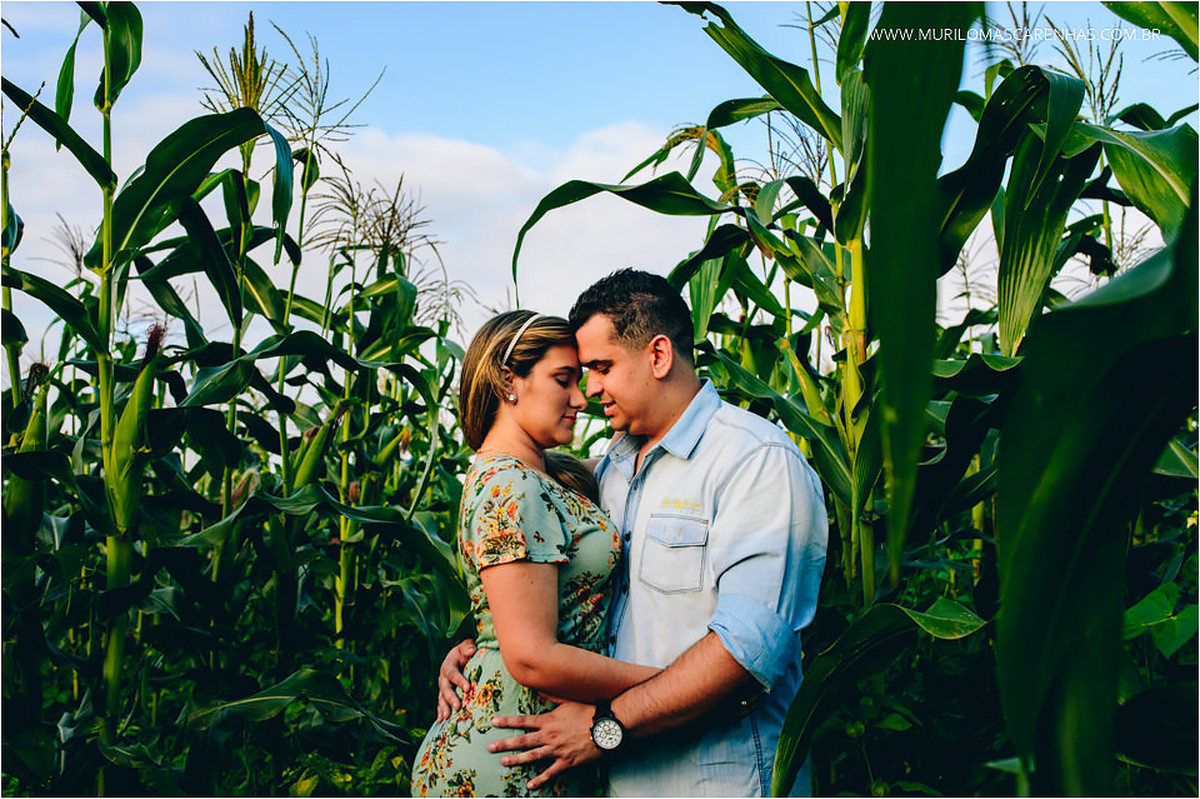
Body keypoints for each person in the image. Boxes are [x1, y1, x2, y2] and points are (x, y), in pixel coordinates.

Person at [438, 269, 829, 796]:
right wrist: (486, 649)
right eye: (576, 375)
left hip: (716, 780)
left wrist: (608, 726)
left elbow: (744, 656)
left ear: (659, 356)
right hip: (618, 780)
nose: (588, 390)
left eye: (600, 368)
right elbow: (548, 586)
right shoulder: (607, 473)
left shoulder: (755, 464)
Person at [411, 310, 662, 797]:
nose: (580, 398)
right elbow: (531, 658)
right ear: (509, 379)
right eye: (562, 380)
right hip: (507, 759)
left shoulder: (538, 476)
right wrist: (667, 688)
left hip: (528, 743)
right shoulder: (511, 484)